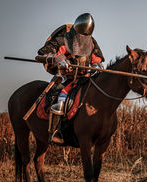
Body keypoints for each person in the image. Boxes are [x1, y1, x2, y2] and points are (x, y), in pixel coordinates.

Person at [38, 13, 105, 144]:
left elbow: (96, 59)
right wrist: (58, 58)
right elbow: (45, 52)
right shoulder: (63, 40)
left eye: (86, 36)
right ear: (76, 30)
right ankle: (55, 131)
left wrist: (97, 64)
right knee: (61, 97)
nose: (83, 38)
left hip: (85, 78)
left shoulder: (91, 43)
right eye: (82, 35)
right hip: (66, 78)